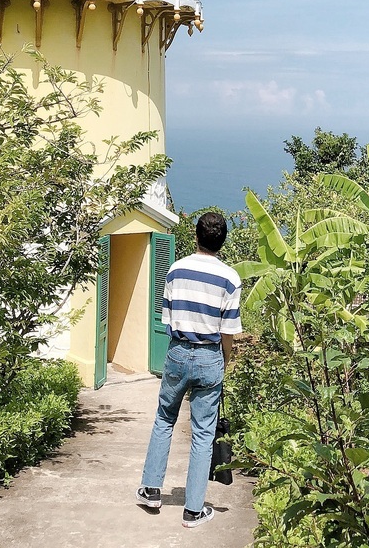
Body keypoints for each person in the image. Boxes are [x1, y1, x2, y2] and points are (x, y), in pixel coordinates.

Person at [136, 211, 242, 529]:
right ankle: (193, 510)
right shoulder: (231, 278)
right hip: (210, 357)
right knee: (203, 432)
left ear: (196, 236)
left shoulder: (175, 270)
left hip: (178, 353)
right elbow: (228, 332)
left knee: (164, 419)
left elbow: (167, 321)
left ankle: (152, 490)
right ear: (222, 242)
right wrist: (225, 361)